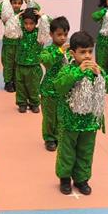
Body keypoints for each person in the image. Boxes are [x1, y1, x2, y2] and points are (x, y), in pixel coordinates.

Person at [54, 31, 108, 195]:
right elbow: (59, 87)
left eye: (90, 51)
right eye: (82, 52)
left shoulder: (96, 70)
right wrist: (78, 72)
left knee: (86, 152)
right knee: (67, 152)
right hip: (69, 122)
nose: (88, 56)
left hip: (89, 122)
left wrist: (100, 75)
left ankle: (81, 179)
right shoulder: (67, 69)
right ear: (72, 53)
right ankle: (65, 178)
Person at [0, 0, 40, 92]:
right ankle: (8, 82)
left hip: (20, 44)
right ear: (10, 3)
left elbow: (36, 10)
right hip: (8, 44)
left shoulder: (24, 14)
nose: (17, 5)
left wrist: (28, 0)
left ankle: (16, 82)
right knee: (8, 64)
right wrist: (6, 0)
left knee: (17, 63)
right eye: (14, 3)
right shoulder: (6, 14)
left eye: (19, 3)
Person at [39, 16, 71, 151]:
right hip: (49, 90)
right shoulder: (47, 50)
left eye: (65, 34)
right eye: (59, 34)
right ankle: (50, 138)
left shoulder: (70, 51)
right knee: (49, 117)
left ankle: (60, 136)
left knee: (62, 115)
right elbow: (46, 61)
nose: (63, 38)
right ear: (51, 34)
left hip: (64, 90)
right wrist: (60, 51)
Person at [15, 8, 43, 113]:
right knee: (20, 86)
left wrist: (42, 16)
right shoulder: (20, 32)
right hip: (20, 65)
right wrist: (18, 16)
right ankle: (22, 103)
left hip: (34, 66)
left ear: (36, 23)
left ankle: (34, 103)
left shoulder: (39, 34)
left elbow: (49, 25)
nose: (28, 26)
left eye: (31, 23)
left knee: (34, 86)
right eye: (26, 23)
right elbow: (11, 26)